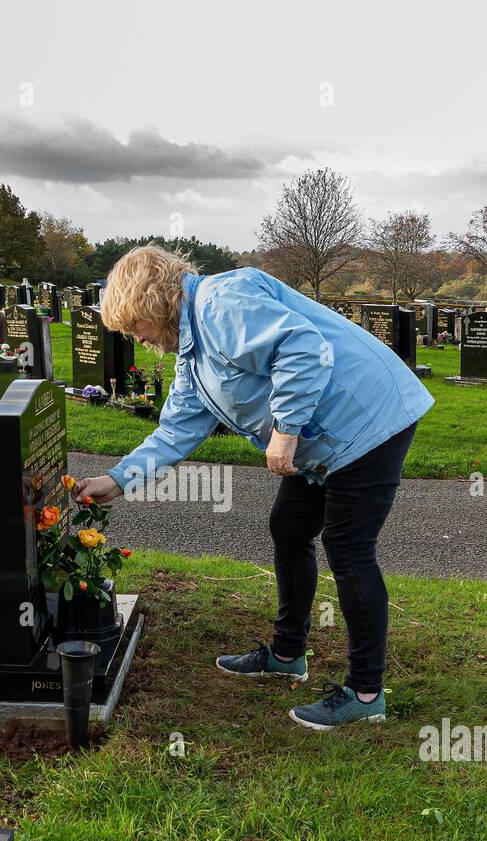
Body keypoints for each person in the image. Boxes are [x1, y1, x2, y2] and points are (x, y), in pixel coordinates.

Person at [73, 246, 434, 730]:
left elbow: (303, 348)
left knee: (348, 548)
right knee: (288, 528)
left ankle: (366, 693)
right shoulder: (194, 352)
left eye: (133, 325)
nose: (136, 337)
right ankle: (288, 655)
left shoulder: (221, 302)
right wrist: (117, 480)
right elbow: (177, 429)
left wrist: (285, 431)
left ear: (151, 301)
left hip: (368, 419)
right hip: (326, 439)